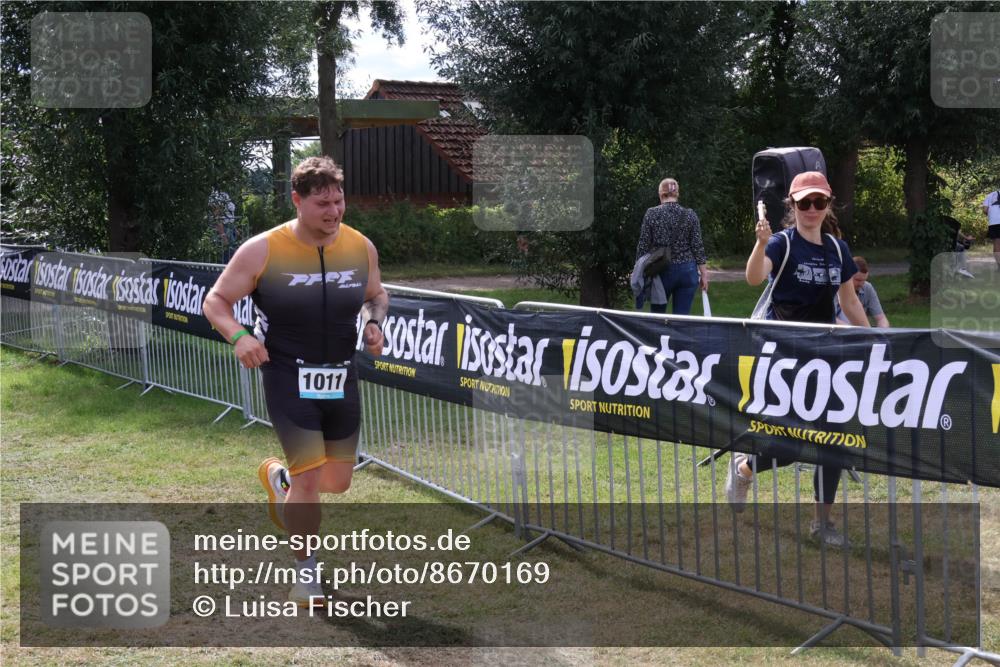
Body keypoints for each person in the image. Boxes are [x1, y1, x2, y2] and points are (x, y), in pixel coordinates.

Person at [203, 156, 387, 606]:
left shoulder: (360, 246)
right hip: (288, 373)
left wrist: (374, 322)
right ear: (297, 201)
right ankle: (306, 573)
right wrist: (240, 336)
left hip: (342, 374)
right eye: (322, 203)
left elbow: (376, 293)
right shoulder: (263, 249)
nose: (334, 211)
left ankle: (282, 482)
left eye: (339, 201)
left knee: (337, 481)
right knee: (310, 483)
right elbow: (217, 301)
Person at [728, 171, 870, 547]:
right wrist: (760, 245)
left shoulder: (837, 249)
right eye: (804, 203)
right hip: (786, 360)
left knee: (835, 441)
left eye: (818, 202)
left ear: (828, 205)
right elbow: (754, 278)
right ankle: (744, 469)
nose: (811, 209)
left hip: (827, 359)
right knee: (790, 445)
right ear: (792, 205)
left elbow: (849, 300)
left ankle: (822, 523)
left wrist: (875, 337)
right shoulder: (781, 242)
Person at [634, 178, 709, 315]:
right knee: (681, 318)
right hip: (688, 271)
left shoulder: (652, 213)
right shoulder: (690, 215)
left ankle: (658, 337)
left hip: (661, 270)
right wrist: (704, 274)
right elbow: (697, 246)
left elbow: (643, 245)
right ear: (677, 194)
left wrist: (638, 271)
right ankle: (677, 337)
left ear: (661, 195)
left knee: (658, 317)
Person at [834, 256, 890, 327]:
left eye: (864, 280)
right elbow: (830, 319)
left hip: (861, 331)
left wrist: (882, 333)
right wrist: (853, 330)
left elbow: (881, 318)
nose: (861, 284)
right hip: (837, 333)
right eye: (858, 280)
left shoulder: (867, 287)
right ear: (847, 275)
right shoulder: (835, 288)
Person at [208, 189, 238, 263]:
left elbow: (229, 215)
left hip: (230, 228)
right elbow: (217, 219)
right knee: (226, 253)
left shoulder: (225, 194)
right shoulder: (217, 197)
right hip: (223, 229)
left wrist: (235, 228)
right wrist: (223, 235)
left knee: (232, 252)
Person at [982, 188, 1000, 269]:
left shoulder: (990, 195)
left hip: (994, 222)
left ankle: (999, 265)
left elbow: (985, 210)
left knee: (997, 243)